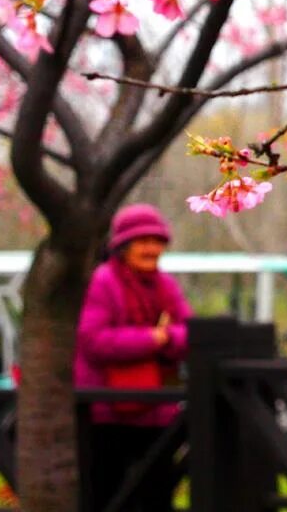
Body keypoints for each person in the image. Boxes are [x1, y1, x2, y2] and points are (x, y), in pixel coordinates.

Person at [74, 203, 192, 512]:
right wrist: (153, 338)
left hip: (157, 410)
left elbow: (189, 332)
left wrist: (167, 338)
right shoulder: (103, 281)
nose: (151, 249)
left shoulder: (166, 285)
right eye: (143, 241)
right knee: (107, 495)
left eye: (157, 241)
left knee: (156, 494)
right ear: (123, 246)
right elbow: (93, 341)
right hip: (109, 412)